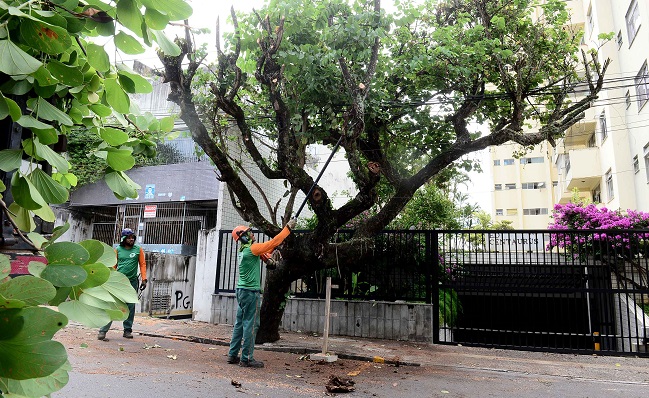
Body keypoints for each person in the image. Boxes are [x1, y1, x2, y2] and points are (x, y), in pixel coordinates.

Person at [227, 219, 296, 368]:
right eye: (249, 233)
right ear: (244, 237)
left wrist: (271, 253)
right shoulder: (253, 249)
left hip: (241, 291)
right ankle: (246, 358)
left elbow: (266, 251)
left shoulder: (244, 251)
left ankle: (232, 355)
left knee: (239, 323)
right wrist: (287, 229)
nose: (252, 234)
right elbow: (271, 244)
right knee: (251, 325)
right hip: (250, 293)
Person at [97, 228, 148, 340]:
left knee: (130, 306)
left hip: (132, 282)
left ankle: (127, 330)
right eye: (129, 237)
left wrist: (144, 279)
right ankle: (102, 331)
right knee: (113, 305)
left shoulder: (138, 249)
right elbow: (113, 266)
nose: (131, 239)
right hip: (118, 281)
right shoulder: (118, 250)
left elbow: (142, 264)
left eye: (132, 237)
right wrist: (110, 279)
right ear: (123, 238)